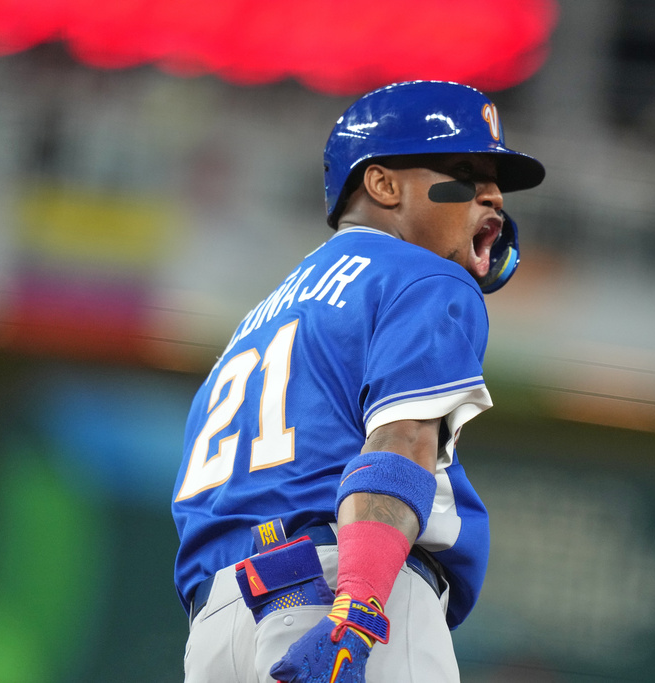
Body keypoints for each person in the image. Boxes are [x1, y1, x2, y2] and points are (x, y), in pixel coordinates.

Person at [172, 80, 545, 682]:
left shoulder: (261, 318)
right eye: (467, 171)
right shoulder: (423, 277)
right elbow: (402, 443)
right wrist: (359, 615)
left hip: (217, 630)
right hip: (345, 596)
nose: (494, 195)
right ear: (384, 184)